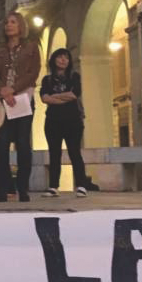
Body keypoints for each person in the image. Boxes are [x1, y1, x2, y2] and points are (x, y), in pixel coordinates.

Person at [0, 12, 40, 202]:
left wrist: (13, 89)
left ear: (20, 26)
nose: (8, 25)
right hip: (3, 102)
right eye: (6, 22)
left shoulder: (32, 47)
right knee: (2, 145)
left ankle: (23, 188)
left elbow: (33, 72)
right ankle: (1, 188)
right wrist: (3, 90)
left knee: (23, 144)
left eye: (13, 22)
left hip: (23, 100)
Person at [40, 48, 88, 198]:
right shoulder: (47, 80)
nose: (63, 60)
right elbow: (44, 98)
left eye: (66, 58)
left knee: (75, 152)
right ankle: (53, 186)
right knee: (54, 154)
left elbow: (74, 94)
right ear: (54, 60)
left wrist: (55, 97)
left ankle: (81, 185)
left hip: (73, 120)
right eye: (60, 57)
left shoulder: (74, 76)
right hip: (53, 121)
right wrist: (62, 98)